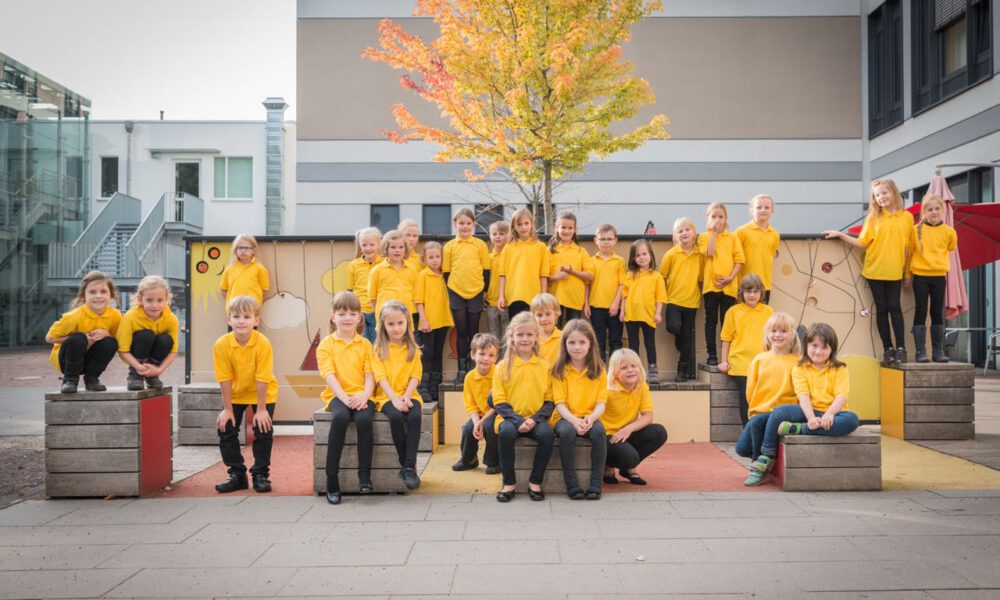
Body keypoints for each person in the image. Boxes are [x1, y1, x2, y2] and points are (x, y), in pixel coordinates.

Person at [751, 323, 861, 481]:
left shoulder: (840, 369)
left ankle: (799, 429)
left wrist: (829, 414)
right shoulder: (799, 368)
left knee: (852, 420)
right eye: (814, 346)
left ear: (832, 349)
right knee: (779, 412)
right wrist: (810, 419)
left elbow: (841, 395)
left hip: (833, 413)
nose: (818, 351)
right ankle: (767, 454)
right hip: (807, 411)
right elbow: (803, 396)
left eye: (824, 347)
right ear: (806, 345)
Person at [824, 179, 913, 365]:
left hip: (895, 271)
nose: (881, 197)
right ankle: (888, 349)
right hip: (874, 270)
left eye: (884, 193)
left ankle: (901, 348)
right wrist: (841, 235)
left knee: (895, 308)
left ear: (894, 192)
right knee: (882, 309)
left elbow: (908, 247)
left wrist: (906, 273)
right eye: (877, 195)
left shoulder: (907, 218)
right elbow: (862, 242)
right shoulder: (873, 218)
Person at [212, 296, 279, 493]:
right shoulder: (221, 345)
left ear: (256, 321)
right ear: (228, 319)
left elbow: (262, 377)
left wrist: (260, 410)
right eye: (236, 316)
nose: (241, 320)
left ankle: (260, 474)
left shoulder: (263, 343)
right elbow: (223, 378)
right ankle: (237, 473)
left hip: (262, 393)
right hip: (235, 393)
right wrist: (227, 409)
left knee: (263, 429)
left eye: (247, 316)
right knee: (226, 429)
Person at [317, 291, 376, 505]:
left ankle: (365, 477)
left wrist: (364, 395)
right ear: (333, 317)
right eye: (342, 313)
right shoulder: (326, 345)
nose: (347, 318)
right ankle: (331, 479)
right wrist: (344, 397)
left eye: (352, 313)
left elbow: (371, 375)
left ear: (360, 318)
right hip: (337, 396)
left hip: (362, 395)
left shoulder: (365, 345)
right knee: (340, 418)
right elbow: (329, 375)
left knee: (363, 420)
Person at [492, 312, 555, 502]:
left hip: (536, 418)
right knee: (506, 433)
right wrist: (519, 420)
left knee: (547, 435)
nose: (525, 339)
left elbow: (549, 401)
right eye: (520, 334)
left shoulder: (545, 366)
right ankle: (509, 482)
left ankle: (535, 482)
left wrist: (533, 420)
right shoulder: (503, 366)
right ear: (511, 336)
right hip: (509, 419)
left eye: (529, 334)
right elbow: (499, 401)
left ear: (536, 337)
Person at [736, 312, 800, 486]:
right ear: (767, 333)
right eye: (773, 330)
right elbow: (750, 390)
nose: (777, 335)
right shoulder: (759, 359)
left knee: (757, 423)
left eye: (783, 331)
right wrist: (753, 410)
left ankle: (760, 467)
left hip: (782, 413)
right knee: (740, 449)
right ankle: (768, 460)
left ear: (792, 334)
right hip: (760, 411)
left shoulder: (798, 362)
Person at [551, 319, 608, 500]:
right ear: (565, 344)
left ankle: (595, 484)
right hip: (564, 418)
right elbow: (559, 404)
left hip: (589, 416)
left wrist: (591, 418)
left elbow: (601, 403)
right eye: (572, 342)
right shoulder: (559, 370)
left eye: (582, 342)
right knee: (567, 433)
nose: (577, 347)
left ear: (590, 344)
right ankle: (572, 484)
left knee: (599, 432)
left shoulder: (599, 370)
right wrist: (575, 421)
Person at [371, 300, 423, 490]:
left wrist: (407, 397)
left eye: (400, 323)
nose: (396, 328)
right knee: (395, 416)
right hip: (387, 396)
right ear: (383, 326)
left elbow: (415, 376)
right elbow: (380, 377)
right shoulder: (378, 349)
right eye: (390, 324)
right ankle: (407, 464)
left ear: (407, 323)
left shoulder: (413, 349)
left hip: (409, 394)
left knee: (416, 415)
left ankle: (409, 467)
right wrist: (394, 398)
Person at [46, 270, 122, 393]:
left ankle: (91, 379)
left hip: (88, 361)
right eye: (92, 292)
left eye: (103, 292)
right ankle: (70, 380)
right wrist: (82, 338)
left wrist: (107, 334)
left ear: (111, 295)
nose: (98, 296)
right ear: (83, 295)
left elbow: (122, 339)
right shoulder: (74, 316)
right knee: (78, 338)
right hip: (66, 360)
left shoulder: (116, 316)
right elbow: (49, 338)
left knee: (111, 342)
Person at [602, 348, 667, 485]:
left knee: (659, 432)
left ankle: (626, 469)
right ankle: (608, 466)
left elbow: (648, 416)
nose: (630, 370)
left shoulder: (641, 386)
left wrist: (628, 429)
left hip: (626, 433)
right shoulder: (607, 390)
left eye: (634, 366)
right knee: (629, 457)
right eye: (624, 368)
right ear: (614, 372)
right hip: (608, 436)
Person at [907, 193, 958, 363]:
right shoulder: (915, 230)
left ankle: (938, 352)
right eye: (930, 209)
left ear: (942, 210)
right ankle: (921, 352)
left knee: (937, 312)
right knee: (921, 310)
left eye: (937, 208)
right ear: (924, 212)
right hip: (920, 276)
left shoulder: (949, 232)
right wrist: (907, 275)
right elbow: (909, 255)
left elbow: (950, 248)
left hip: (938, 276)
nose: (934, 212)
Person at [443, 207, 491, 385]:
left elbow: (486, 271)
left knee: (474, 331)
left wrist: (483, 292)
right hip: (457, 292)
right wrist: (454, 289)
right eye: (461, 223)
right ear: (455, 224)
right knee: (461, 332)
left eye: (468, 223)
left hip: (477, 292)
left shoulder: (480, 245)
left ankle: (474, 367)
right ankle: (461, 370)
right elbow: (446, 273)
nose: (465, 226)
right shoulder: (449, 247)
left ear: (474, 224)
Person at [718, 274, 774, 425]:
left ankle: (760, 432)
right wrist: (723, 361)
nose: (752, 295)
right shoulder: (733, 312)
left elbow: (773, 338)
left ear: (761, 293)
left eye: (756, 291)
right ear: (741, 293)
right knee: (746, 398)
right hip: (741, 363)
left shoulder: (768, 311)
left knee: (763, 399)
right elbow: (726, 338)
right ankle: (748, 433)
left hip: (763, 362)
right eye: (748, 291)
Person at [698, 203, 744, 366]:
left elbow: (739, 261)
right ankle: (712, 355)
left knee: (727, 321)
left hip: (729, 287)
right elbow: (709, 252)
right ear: (707, 219)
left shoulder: (733, 237)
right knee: (711, 320)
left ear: (726, 219)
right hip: (711, 286)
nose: (717, 220)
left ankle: (728, 355)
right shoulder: (703, 237)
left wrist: (731, 277)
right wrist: (714, 234)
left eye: (720, 217)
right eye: (713, 217)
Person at [117, 275, 179, 391]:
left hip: (155, 365)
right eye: (149, 300)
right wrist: (139, 367)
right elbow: (123, 350)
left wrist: (158, 370)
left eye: (160, 300)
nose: (154, 305)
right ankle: (135, 376)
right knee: (146, 335)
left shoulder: (171, 319)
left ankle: (152, 376)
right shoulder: (130, 317)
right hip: (136, 356)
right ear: (140, 299)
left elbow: (173, 351)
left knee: (166, 340)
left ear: (166, 299)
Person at [660, 217, 703, 382]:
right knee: (673, 327)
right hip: (673, 300)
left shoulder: (699, 255)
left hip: (692, 302)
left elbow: (701, 278)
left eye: (687, 230)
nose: (684, 233)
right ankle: (679, 340)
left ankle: (682, 369)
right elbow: (661, 277)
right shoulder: (671, 254)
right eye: (680, 231)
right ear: (675, 235)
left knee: (687, 336)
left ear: (694, 232)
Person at [452, 332, 501, 473]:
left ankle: (493, 462)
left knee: (491, 428)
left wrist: (482, 422)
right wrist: (475, 423)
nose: (486, 359)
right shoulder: (469, 377)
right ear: (473, 355)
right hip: (478, 414)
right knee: (468, 430)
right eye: (482, 354)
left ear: (496, 357)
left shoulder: (499, 374)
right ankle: (468, 459)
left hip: (496, 413)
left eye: (491, 355)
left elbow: (498, 403)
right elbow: (470, 404)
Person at [621, 239, 667, 384]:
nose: (642, 257)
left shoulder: (656, 276)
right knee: (633, 344)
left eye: (644, 254)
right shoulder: (630, 274)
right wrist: (622, 311)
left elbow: (660, 297)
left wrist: (658, 313)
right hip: (631, 315)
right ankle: (634, 372)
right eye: (638, 255)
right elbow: (624, 295)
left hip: (648, 315)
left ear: (650, 255)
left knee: (649, 343)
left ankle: (652, 370)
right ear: (633, 258)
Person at [414, 241, 454, 402]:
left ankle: (435, 388)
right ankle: (423, 387)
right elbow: (418, 300)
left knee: (438, 354)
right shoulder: (423, 275)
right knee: (427, 354)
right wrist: (423, 319)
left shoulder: (445, 275)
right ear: (425, 259)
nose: (435, 260)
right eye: (431, 257)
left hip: (442, 319)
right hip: (428, 321)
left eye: (438, 256)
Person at [497, 207, 549, 319]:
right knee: (517, 331)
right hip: (513, 296)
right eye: (519, 224)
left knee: (535, 331)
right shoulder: (508, 248)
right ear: (514, 227)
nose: (523, 227)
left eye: (526, 223)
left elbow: (543, 275)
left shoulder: (541, 247)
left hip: (535, 298)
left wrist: (543, 297)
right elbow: (503, 275)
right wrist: (501, 296)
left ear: (532, 224)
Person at [547, 211, 594, 324]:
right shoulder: (549, 250)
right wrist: (556, 277)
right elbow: (543, 276)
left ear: (574, 230)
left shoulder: (580, 251)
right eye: (563, 227)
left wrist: (572, 271)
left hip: (575, 299)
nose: (566, 231)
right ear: (557, 228)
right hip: (554, 299)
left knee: (573, 332)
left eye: (570, 228)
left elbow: (590, 275)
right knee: (554, 331)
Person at [587, 224, 625, 363]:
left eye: (609, 239)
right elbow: (587, 285)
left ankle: (616, 371)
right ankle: (600, 371)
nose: (606, 242)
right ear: (595, 240)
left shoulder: (620, 261)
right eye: (602, 239)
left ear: (616, 240)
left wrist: (616, 303)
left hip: (615, 308)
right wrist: (586, 304)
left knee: (615, 341)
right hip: (596, 306)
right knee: (598, 341)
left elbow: (622, 284)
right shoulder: (591, 261)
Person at [736, 194, 780, 304]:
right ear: (751, 210)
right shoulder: (741, 231)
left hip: (764, 285)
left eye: (767, 207)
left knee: (762, 318)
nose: (763, 210)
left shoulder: (774, 234)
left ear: (772, 211)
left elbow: (770, 255)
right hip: (744, 285)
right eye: (759, 207)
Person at [368, 229, 418, 321]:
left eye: (401, 247)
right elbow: (372, 298)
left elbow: (415, 294)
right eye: (393, 247)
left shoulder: (411, 269)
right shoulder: (377, 271)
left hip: (406, 318)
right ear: (386, 249)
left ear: (405, 249)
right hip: (385, 319)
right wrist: (380, 315)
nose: (397, 250)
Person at [347, 227, 382, 343]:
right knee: (362, 343)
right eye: (364, 245)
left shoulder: (384, 263)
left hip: (377, 311)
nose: (368, 248)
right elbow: (350, 291)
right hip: (359, 312)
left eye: (372, 244)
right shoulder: (354, 265)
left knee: (377, 344)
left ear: (379, 244)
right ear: (360, 246)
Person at [219, 233, 269, 311]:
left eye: (246, 248)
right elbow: (223, 290)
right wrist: (235, 303)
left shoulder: (260, 269)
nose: (243, 250)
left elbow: (265, 290)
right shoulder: (229, 269)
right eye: (240, 248)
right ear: (235, 250)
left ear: (253, 250)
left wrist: (255, 304)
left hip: (251, 311)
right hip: (233, 311)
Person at [485, 220, 512, 342]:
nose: (497, 236)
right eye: (494, 234)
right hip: (491, 303)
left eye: (501, 233)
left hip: (508, 302)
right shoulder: (488, 258)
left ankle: (505, 361)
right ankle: (494, 361)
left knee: (508, 337)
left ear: (509, 235)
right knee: (494, 335)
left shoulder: (512, 257)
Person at [531, 292, 562, 365]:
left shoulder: (564, 338)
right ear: (533, 317)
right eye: (539, 315)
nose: (543, 319)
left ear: (556, 314)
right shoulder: (530, 338)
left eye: (548, 314)